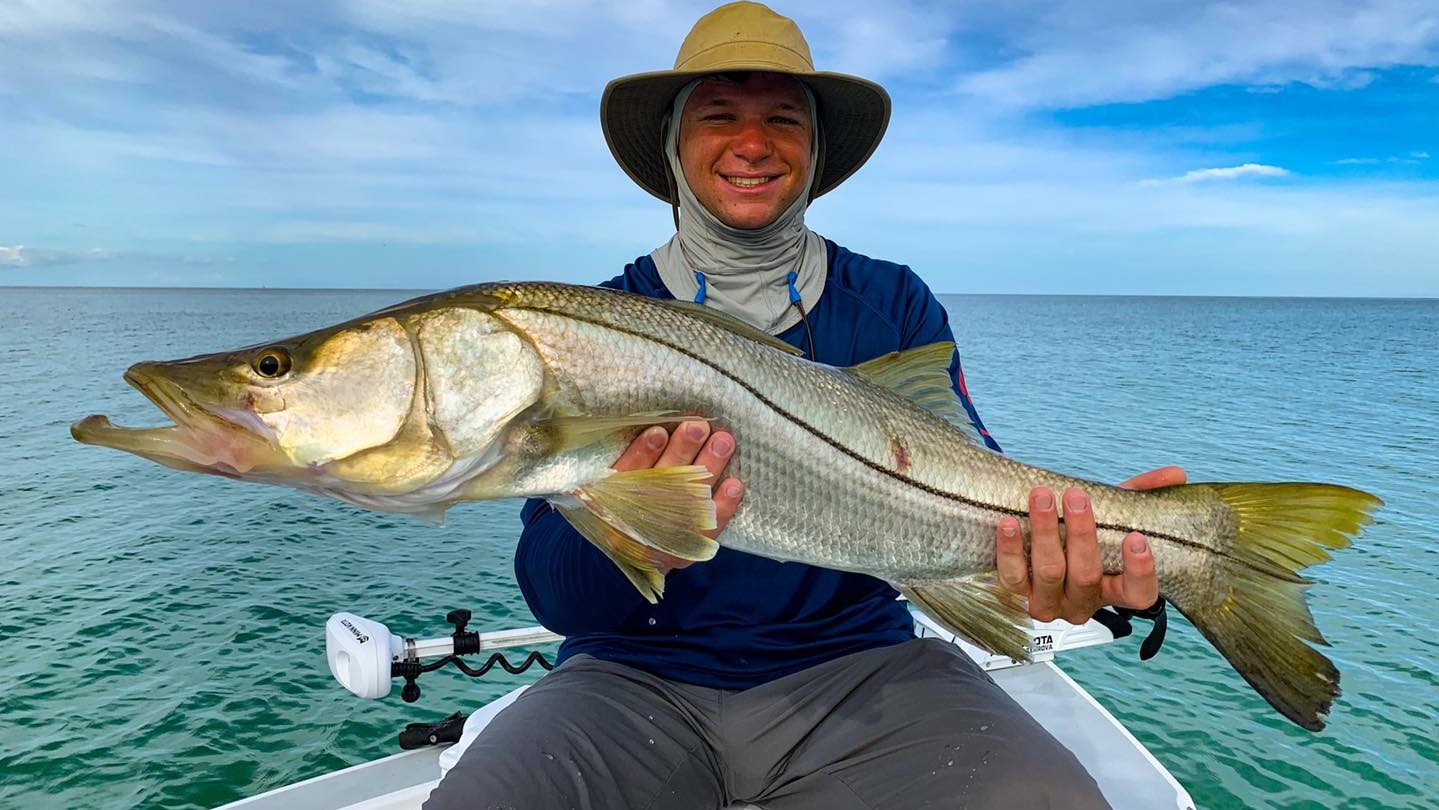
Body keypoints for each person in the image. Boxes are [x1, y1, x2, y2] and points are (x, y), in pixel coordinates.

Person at [426, 3, 1184, 808]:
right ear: (674, 147)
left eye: (782, 120)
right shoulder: (595, 324)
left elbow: (973, 489)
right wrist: (630, 538)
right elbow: (557, 596)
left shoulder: (891, 301)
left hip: (861, 668)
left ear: (815, 152)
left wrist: (1062, 562)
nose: (752, 144)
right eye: (718, 115)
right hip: (627, 677)